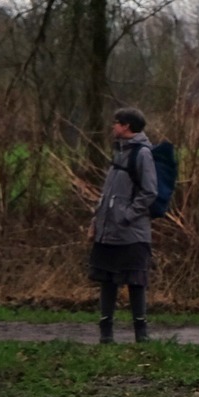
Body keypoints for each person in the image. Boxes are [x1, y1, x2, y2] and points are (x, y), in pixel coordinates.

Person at [89, 108, 157, 343]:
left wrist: (127, 216)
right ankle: (106, 333)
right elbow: (107, 194)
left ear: (127, 126)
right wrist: (96, 221)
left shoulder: (142, 153)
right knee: (107, 280)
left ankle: (141, 334)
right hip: (108, 231)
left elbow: (149, 192)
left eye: (116, 123)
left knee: (135, 281)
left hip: (132, 233)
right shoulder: (118, 152)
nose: (113, 126)